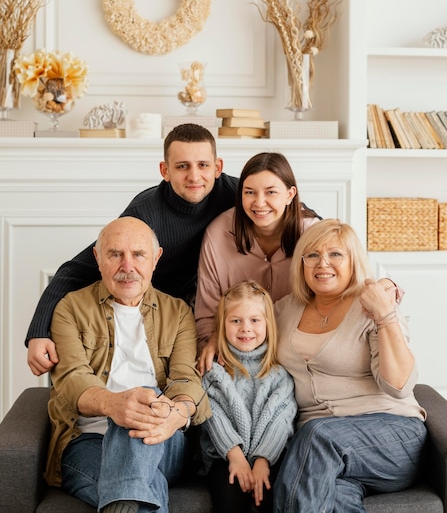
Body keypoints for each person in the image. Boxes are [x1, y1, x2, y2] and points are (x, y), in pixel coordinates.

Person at [26, 123, 239, 376]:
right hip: (156, 311)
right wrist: (38, 333)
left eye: (203, 165)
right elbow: (76, 269)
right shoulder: (145, 212)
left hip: (210, 301)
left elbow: (286, 204)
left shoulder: (236, 192)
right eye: (182, 166)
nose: (194, 176)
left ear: (218, 168)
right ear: (165, 170)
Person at [45, 216, 211, 513]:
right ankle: (127, 498)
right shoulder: (70, 308)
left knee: (142, 398)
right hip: (88, 441)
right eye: (115, 254)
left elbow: (186, 378)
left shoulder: (178, 312)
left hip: (162, 440)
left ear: (155, 259)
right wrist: (113, 404)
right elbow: (72, 379)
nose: (127, 266)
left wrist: (180, 412)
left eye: (138, 254)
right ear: (98, 257)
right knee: (144, 490)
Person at [272, 218, 427, 512]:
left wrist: (385, 315)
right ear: (301, 263)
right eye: (312, 255)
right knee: (333, 497)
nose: (322, 264)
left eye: (335, 254)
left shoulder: (372, 303)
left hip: (392, 436)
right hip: (321, 452)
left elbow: (399, 386)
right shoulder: (283, 310)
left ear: (353, 261)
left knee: (318, 436)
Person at [195, 152, 321, 368]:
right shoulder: (218, 235)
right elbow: (207, 313)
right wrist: (213, 342)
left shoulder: (312, 233)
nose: (259, 203)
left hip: (296, 349)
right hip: (235, 351)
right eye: (250, 192)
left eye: (271, 192)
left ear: (290, 194)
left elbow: (346, 278)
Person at [200, 280, 297, 513]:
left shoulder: (279, 375)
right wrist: (235, 456)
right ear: (222, 325)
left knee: (268, 496)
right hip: (226, 457)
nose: (245, 328)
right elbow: (212, 415)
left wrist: (263, 461)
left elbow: (282, 421)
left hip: (269, 457)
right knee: (230, 495)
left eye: (254, 320)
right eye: (235, 321)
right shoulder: (213, 372)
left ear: (267, 324)